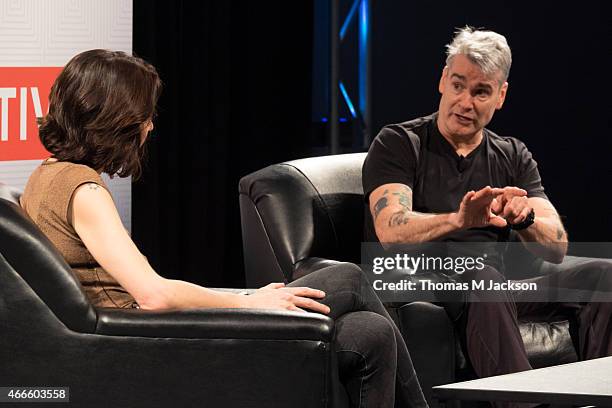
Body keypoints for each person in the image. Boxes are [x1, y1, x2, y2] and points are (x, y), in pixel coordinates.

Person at [20, 49, 428, 408]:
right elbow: (153, 295)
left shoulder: (48, 177)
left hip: (142, 332)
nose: (150, 127)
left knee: (369, 332)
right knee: (351, 276)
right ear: (117, 119)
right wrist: (250, 303)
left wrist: (250, 295)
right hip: (149, 344)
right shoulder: (85, 190)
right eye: (146, 116)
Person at [363, 26, 612, 407]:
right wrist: (459, 219)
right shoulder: (401, 143)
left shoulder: (512, 155)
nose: (465, 101)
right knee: (485, 276)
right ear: (443, 80)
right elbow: (390, 230)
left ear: (500, 96)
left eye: (480, 91)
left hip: (492, 285)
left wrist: (524, 218)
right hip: (424, 282)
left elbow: (557, 247)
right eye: (459, 85)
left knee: (602, 276)